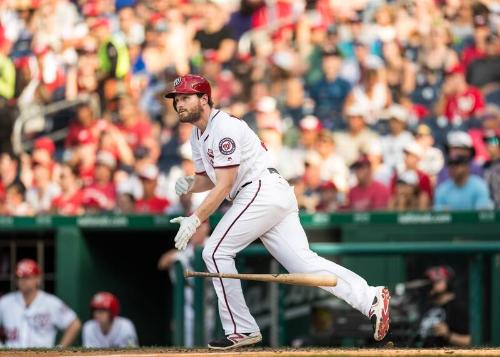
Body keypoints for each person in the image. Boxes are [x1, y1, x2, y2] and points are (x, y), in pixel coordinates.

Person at [164, 74, 390, 350]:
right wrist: (191, 182)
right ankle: (371, 298)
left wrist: (197, 218)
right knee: (303, 265)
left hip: (260, 189)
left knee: (214, 251)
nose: (179, 104)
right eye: (176, 99)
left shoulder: (223, 127)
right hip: (267, 191)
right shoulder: (197, 135)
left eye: (185, 97)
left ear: (204, 99)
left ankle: (241, 329)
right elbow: (210, 177)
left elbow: (224, 184)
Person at [0, 259, 81, 348]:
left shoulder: (51, 302)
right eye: (19, 277)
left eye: (27, 277)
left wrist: (59, 350)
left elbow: (74, 324)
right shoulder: (5, 302)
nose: (22, 281)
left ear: (38, 279)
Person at [416, 266, 470, 347]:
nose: (432, 284)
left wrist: (448, 335)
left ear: (449, 282)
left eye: (437, 281)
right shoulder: (427, 306)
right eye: (430, 281)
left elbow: (471, 341)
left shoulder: (458, 307)